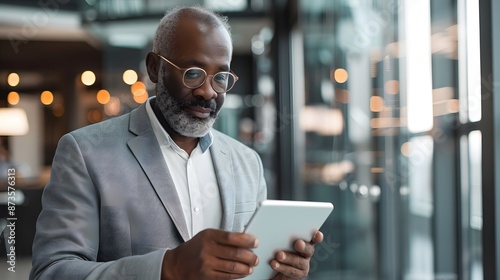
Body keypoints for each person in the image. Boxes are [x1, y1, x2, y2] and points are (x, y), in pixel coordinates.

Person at [30, 6, 323, 280]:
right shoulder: (85, 152)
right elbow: (51, 271)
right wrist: (167, 267)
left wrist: (278, 272)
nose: (208, 92)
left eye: (220, 77)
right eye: (193, 74)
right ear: (155, 68)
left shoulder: (246, 162)